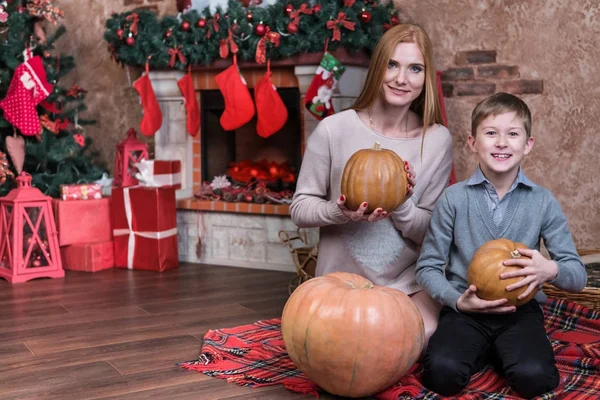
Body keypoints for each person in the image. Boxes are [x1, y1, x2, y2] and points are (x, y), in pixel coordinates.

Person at [415, 92, 587, 398]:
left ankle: (502, 353)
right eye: (491, 133)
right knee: (441, 375)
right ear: (472, 142)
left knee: (536, 379)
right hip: (465, 310)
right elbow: (427, 267)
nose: (501, 142)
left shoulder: (543, 201)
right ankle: (486, 350)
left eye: (513, 134)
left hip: (520, 310)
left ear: (527, 145)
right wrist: (456, 301)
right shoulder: (453, 199)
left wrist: (548, 269)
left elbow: (577, 275)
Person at [290, 23, 454, 344]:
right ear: (378, 68)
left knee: (415, 337)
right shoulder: (333, 129)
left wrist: (403, 205)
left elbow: (434, 233)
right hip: (341, 285)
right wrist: (340, 212)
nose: (401, 79)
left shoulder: (436, 140)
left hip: (407, 285)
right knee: (348, 349)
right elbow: (300, 209)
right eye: (392, 64)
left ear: (426, 77)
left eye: (415, 68)